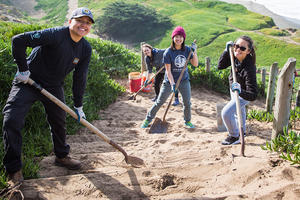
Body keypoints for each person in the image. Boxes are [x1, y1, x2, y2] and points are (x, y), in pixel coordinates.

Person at [2, 7, 94, 185]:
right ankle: (13, 169)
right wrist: (23, 69)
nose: (84, 25)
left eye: (88, 23)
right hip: (28, 80)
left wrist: (79, 106)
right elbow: (18, 40)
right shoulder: (55, 34)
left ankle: (61, 156)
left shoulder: (85, 49)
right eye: (80, 21)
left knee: (59, 122)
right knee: (11, 119)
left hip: (53, 86)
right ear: (70, 22)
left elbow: (79, 78)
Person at [141, 26, 198, 129]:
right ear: (173, 38)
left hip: (184, 80)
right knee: (159, 101)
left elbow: (195, 64)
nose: (178, 39)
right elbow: (168, 71)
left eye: (181, 37)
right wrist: (172, 84)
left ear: (183, 38)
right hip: (169, 81)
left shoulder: (187, 50)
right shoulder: (168, 52)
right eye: (176, 36)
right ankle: (148, 119)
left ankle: (187, 121)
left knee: (187, 103)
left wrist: (194, 52)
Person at [218, 35, 258, 145]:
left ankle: (234, 135)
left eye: (242, 48)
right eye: (236, 46)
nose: (238, 49)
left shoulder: (249, 69)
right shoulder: (234, 56)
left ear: (248, 51)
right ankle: (242, 132)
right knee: (239, 112)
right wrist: (226, 51)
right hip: (234, 88)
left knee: (226, 113)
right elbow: (220, 66)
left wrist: (240, 91)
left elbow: (253, 94)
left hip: (243, 94)